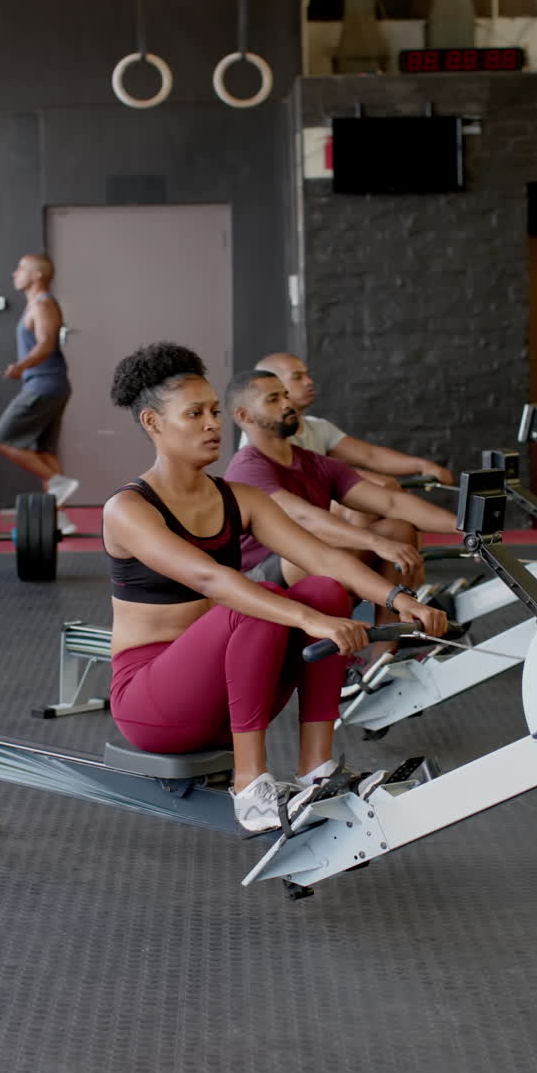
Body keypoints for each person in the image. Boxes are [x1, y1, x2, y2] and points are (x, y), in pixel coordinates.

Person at [102, 341, 447, 835]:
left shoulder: (238, 498)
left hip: (227, 693)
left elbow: (322, 556)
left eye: (214, 412)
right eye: (194, 414)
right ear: (153, 423)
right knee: (257, 605)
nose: (212, 424)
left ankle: (316, 770)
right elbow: (211, 578)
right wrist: (311, 621)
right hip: (152, 703)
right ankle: (250, 788)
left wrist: (399, 600)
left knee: (324, 588)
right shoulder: (128, 508)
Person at [224, 368, 458, 652]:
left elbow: (390, 502)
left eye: (285, 395)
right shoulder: (247, 467)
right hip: (257, 579)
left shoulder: (312, 461)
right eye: (273, 399)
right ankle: (337, 653)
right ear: (245, 416)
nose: (286, 404)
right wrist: (375, 542)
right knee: (312, 549)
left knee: (397, 529)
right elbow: (304, 519)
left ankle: (385, 654)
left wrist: (466, 527)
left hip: (315, 558)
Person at [241, 351, 454, 489]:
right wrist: (370, 482)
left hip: (317, 513)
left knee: (396, 524)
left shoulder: (317, 427)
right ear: (272, 385)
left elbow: (369, 456)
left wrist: (423, 466)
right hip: (291, 522)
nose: (309, 382)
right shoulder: (264, 433)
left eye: (307, 375)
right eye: (297, 377)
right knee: (369, 500)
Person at [0, 252, 80, 531]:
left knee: (3, 439)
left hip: (44, 384)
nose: (15, 274)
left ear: (37, 275)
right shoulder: (35, 305)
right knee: (45, 453)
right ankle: (61, 521)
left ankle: (58, 483)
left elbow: (46, 344)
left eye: (21, 269)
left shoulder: (42, 304)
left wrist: (20, 367)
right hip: (47, 383)